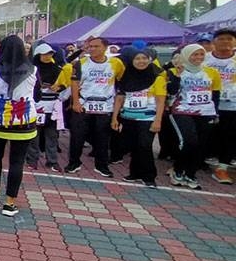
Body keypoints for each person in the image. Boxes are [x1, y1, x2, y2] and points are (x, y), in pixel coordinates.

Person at [0, 36, 39, 217]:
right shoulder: (33, 70)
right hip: (24, 121)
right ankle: (10, 203)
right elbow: (37, 96)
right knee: (17, 162)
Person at [166, 44, 221, 190]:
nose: (198, 58)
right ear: (186, 55)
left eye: (201, 54)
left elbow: (215, 94)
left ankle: (191, 174)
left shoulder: (212, 72)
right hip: (182, 110)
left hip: (206, 111)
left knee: (201, 145)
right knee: (189, 141)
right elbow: (171, 91)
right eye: (194, 55)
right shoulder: (174, 71)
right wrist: (177, 76)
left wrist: (215, 112)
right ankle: (177, 170)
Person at [65, 36, 122, 177]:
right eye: (90, 46)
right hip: (84, 105)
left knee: (102, 138)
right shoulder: (81, 63)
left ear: (105, 48)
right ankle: (74, 163)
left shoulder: (116, 63)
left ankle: (102, 165)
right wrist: (76, 102)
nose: (92, 49)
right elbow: (74, 83)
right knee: (77, 136)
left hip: (105, 106)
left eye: (96, 46)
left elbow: (120, 81)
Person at [111, 46, 165, 187]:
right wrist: (115, 117)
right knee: (133, 146)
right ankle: (134, 173)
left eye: (144, 58)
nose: (141, 61)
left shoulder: (157, 77)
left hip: (147, 118)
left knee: (144, 146)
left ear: (149, 59)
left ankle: (149, 176)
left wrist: (158, 119)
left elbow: (161, 100)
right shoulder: (126, 76)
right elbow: (120, 98)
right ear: (131, 60)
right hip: (129, 117)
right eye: (137, 58)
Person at [204, 28, 236, 185]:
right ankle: (191, 162)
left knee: (229, 137)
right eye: (221, 39)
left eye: (229, 39)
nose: (226, 42)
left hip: (232, 105)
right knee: (204, 135)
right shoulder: (204, 59)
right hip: (205, 104)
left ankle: (222, 168)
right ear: (214, 42)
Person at [27, 43, 64, 172]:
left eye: (50, 54)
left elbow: (65, 85)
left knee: (52, 135)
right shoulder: (31, 69)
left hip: (53, 105)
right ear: (38, 55)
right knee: (33, 135)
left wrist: (58, 87)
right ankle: (32, 160)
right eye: (45, 54)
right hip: (36, 105)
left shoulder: (57, 69)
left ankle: (52, 161)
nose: (48, 56)